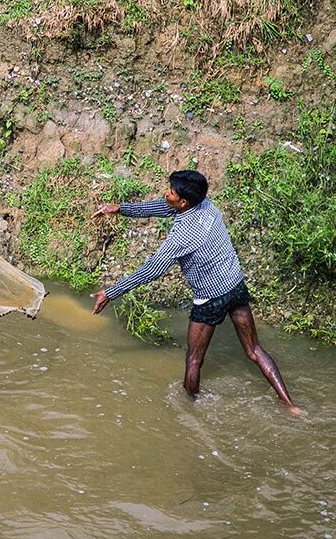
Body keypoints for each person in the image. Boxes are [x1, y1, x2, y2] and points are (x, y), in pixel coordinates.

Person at [90, 170, 300, 413]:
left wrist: (111, 292)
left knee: (194, 360)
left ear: (183, 203)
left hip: (210, 298)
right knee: (254, 350)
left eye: (171, 192)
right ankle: (291, 406)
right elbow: (162, 207)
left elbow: (151, 271)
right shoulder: (206, 206)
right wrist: (120, 209)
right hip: (236, 286)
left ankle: (190, 412)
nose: (165, 193)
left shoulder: (182, 235)